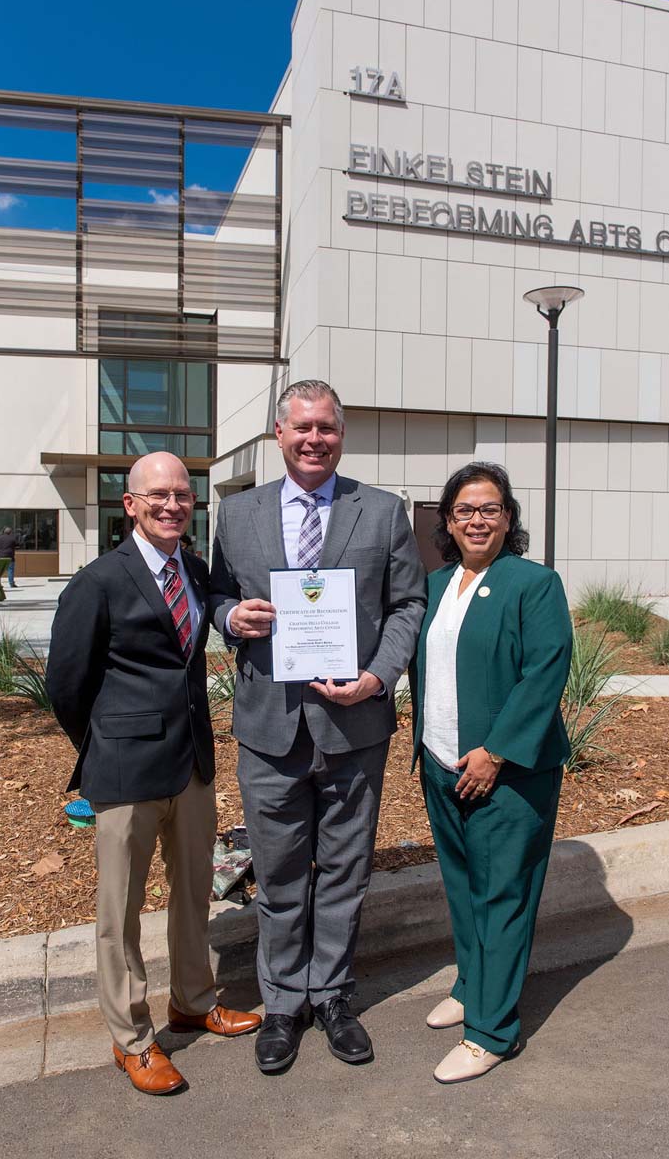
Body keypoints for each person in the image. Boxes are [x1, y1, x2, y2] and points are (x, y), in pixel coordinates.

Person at [209, 379, 426, 1073]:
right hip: (268, 730)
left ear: (340, 435)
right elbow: (216, 594)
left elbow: (407, 604)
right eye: (301, 427)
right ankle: (281, 1004)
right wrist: (229, 619)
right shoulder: (237, 515)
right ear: (278, 433)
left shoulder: (383, 512)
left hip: (353, 727)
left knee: (343, 872)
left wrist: (378, 676)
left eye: (326, 429)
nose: (314, 439)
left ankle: (331, 994)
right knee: (276, 878)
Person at [47, 451, 260, 1097]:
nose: (173, 505)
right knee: (121, 910)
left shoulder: (193, 571)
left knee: (194, 891)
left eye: (182, 496)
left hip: (190, 765)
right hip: (125, 771)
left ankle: (192, 1000)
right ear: (130, 505)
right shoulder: (97, 582)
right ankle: (132, 1038)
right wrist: (105, 742)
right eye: (158, 495)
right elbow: (66, 684)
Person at [410, 461, 573, 1085]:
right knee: (461, 885)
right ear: (447, 521)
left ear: (509, 519)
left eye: (490, 509)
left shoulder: (533, 585)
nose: (477, 520)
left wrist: (496, 751)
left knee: (503, 893)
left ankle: (492, 1031)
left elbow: (545, 673)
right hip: (440, 762)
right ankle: (473, 984)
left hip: (507, 772)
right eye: (464, 510)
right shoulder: (433, 585)